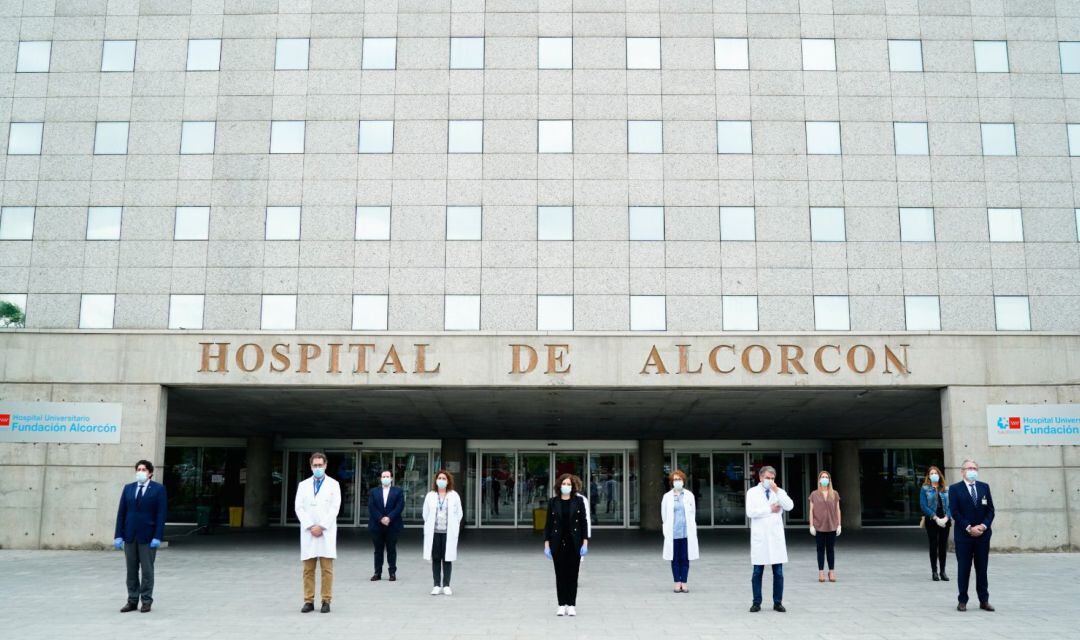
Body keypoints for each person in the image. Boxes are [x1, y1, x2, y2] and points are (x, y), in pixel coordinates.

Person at [114, 459, 167, 613]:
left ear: (150, 473)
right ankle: (132, 600)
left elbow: (161, 514)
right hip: (130, 536)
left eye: (144, 469)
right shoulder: (128, 488)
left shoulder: (158, 489)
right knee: (131, 571)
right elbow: (121, 513)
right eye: (139, 469)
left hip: (148, 537)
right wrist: (118, 535)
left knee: (147, 571)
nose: (141, 472)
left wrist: (158, 536)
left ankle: (146, 601)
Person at [294, 452, 341, 613]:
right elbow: (298, 507)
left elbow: (335, 507)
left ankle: (326, 600)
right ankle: (308, 600)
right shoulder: (303, 485)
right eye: (315, 465)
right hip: (308, 532)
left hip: (325, 532)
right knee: (308, 569)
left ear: (326, 465)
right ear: (311, 466)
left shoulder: (334, 484)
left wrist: (321, 526)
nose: (318, 468)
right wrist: (309, 525)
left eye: (320, 465)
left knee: (327, 570)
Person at [948, 459, 995, 611]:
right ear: (962, 471)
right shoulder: (955, 489)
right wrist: (969, 527)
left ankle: (984, 600)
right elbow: (955, 512)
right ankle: (962, 601)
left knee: (982, 569)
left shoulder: (984, 487)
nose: (972, 470)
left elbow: (990, 510)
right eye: (969, 468)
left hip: (982, 536)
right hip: (964, 537)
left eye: (975, 468)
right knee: (964, 569)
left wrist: (983, 526)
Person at [745, 465, 793, 612]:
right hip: (760, 538)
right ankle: (756, 602)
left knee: (778, 572)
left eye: (772, 478)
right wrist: (769, 510)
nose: (770, 481)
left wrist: (777, 491)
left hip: (775, 538)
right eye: (767, 478)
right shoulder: (752, 492)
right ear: (760, 478)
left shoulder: (779, 492)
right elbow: (751, 512)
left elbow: (789, 506)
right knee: (757, 572)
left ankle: (777, 602)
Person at [544, 473, 590, 617]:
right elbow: (548, 525)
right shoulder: (553, 502)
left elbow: (584, 522)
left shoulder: (578, 501)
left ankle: (571, 605)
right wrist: (546, 545)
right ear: (559, 485)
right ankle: (561, 605)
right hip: (557, 543)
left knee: (572, 575)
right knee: (560, 575)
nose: (566, 486)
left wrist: (585, 543)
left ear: (573, 486)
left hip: (574, 543)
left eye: (569, 484)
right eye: (564, 484)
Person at [422, 469, 463, 595]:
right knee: (436, 558)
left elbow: (459, 514)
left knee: (447, 558)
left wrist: (454, 525)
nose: (441, 481)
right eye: (439, 478)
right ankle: (436, 585)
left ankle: (446, 585)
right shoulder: (430, 495)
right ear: (436, 480)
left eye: (444, 479)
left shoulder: (454, 495)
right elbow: (425, 514)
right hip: (434, 533)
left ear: (448, 481)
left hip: (448, 533)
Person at [661, 470, 699, 593]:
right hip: (673, 533)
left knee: (685, 558)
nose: (678, 482)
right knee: (675, 558)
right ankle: (677, 582)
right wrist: (667, 530)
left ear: (683, 481)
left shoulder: (689, 495)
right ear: (672, 482)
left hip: (686, 533)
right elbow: (664, 516)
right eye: (675, 480)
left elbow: (693, 513)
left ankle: (684, 582)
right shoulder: (667, 497)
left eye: (680, 479)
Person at [368, 469, 404, 581]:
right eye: (383, 476)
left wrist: (389, 518)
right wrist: (380, 518)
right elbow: (371, 507)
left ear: (392, 478)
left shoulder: (398, 491)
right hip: (377, 525)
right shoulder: (374, 491)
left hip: (392, 525)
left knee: (391, 549)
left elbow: (399, 506)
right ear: (380, 478)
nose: (385, 478)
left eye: (387, 476)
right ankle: (377, 573)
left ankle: (392, 573)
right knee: (378, 550)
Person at [808, 470, 841, 583]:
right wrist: (811, 525)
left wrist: (839, 524)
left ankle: (831, 571)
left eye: (826, 477)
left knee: (830, 549)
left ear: (829, 480)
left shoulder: (834, 494)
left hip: (832, 526)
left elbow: (838, 510)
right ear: (819, 480)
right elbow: (811, 510)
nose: (824, 479)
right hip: (819, 526)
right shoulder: (814, 494)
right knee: (820, 549)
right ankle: (821, 572)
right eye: (822, 477)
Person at [919, 465, 951, 582]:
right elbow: (923, 505)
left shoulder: (946, 489)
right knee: (933, 545)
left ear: (939, 475)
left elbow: (951, 505)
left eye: (935, 473)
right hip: (932, 520)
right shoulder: (925, 488)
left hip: (945, 521)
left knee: (943, 546)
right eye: (931, 473)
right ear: (928, 476)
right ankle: (934, 572)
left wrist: (947, 517)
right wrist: (935, 517)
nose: (934, 475)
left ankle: (943, 571)